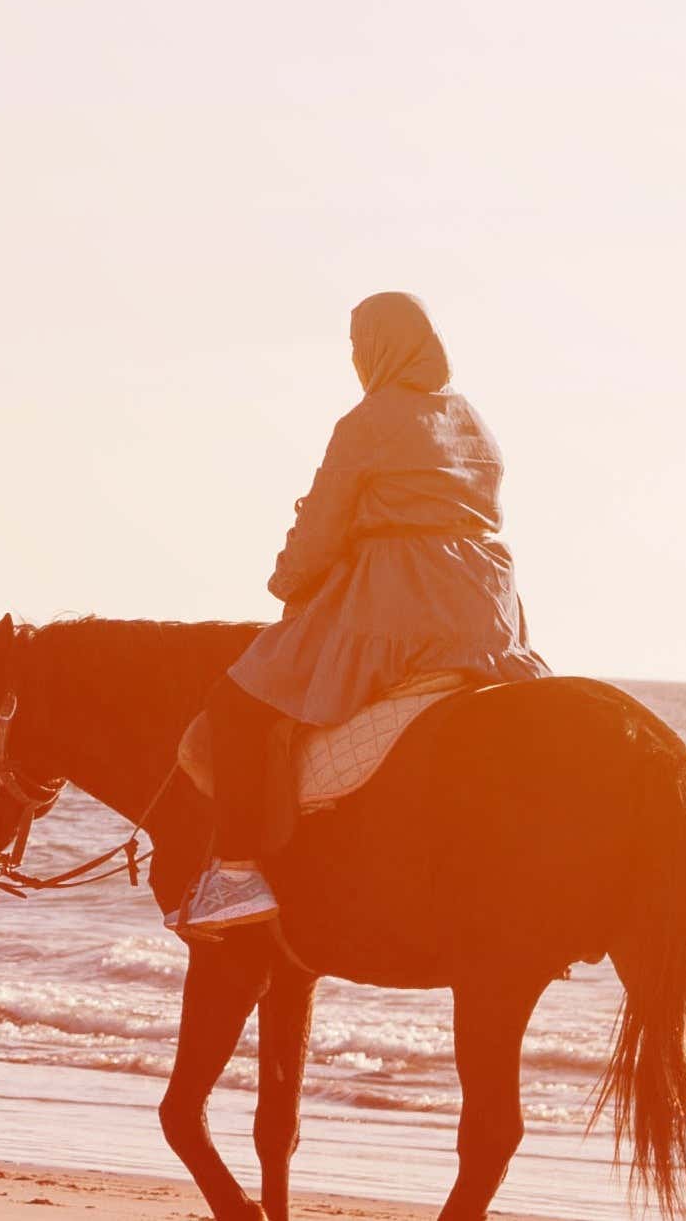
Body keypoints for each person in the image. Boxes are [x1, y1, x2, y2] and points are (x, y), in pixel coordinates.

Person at [175, 290, 544, 931]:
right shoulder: (474, 420)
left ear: (381, 347)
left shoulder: (368, 421)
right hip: (489, 612)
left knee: (236, 706)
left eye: (357, 347)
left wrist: (285, 579)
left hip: (397, 601)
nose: (354, 361)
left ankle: (235, 876)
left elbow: (323, 529)